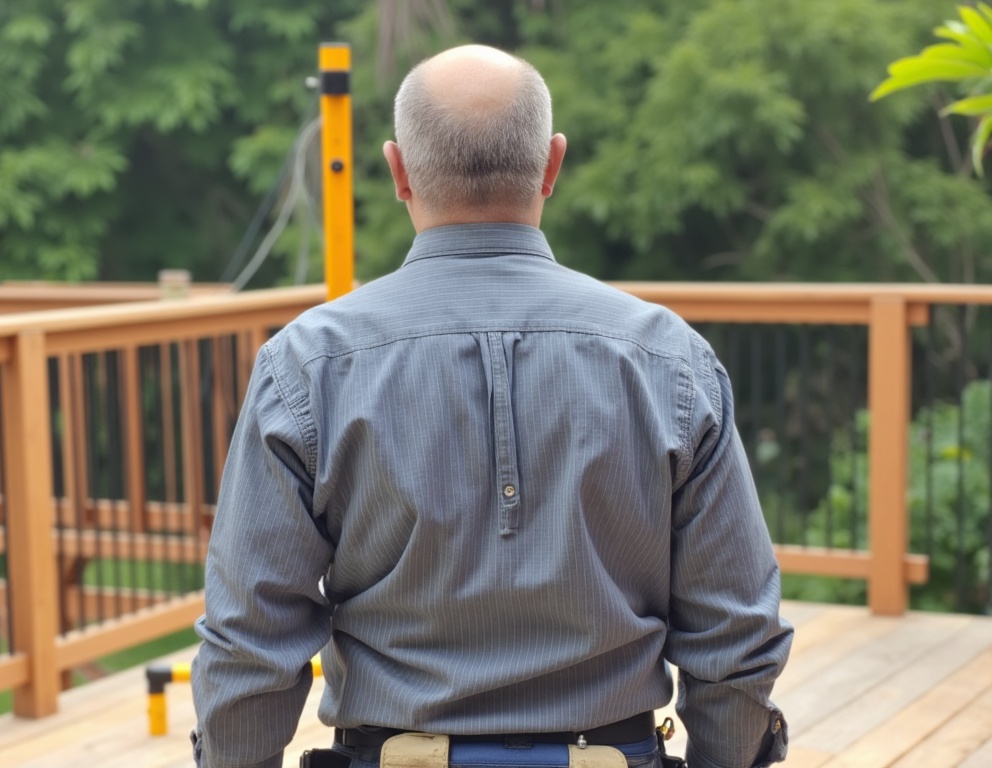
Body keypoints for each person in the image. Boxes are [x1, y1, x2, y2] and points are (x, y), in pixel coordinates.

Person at [191, 44, 792, 768]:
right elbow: (737, 633)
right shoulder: (671, 360)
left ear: (398, 171)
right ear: (553, 165)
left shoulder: (307, 365)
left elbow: (249, 637)